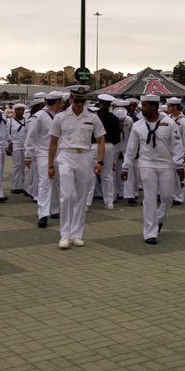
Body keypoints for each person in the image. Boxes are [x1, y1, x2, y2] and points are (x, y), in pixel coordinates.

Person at [47, 85, 105, 249]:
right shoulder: (61, 117)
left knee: (81, 197)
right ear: (70, 99)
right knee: (67, 195)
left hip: (85, 156)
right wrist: (50, 165)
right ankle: (65, 235)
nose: (80, 104)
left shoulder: (93, 117)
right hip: (66, 155)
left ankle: (76, 234)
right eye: (77, 100)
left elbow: (101, 140)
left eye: (83, 100)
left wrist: (100, 162)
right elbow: (53, 142)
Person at [121, 94, 185, 244]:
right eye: (142, 105)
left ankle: (159, 218)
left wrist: (179, 164)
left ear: (154, 106)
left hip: (165, 165)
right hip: (146, 164)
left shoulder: (169, 123)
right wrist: (126, 167)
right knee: (149, 199)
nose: (142, 109)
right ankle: (150, 233)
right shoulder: (138, 126)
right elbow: (131, 149)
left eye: (145, 105)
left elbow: (177, 145)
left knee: (168, 197)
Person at [25, 91, 64, 227]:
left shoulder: (60, 116)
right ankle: (43, 214)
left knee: (57, 182)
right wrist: (28, 155)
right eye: (62, 100)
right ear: (58, 101)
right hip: (43, 153)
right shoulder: (39, 116)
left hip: (59, 153)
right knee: (45, 183)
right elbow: (31, 137)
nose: (63, 103)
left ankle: (54, 209)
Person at [93, 95, 121, 210]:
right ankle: (109, 202)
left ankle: (86, 203)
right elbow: (117, 138)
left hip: (94, 145)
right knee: (107, 174)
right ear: (110, 105)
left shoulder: (94, 116)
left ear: (99, 103)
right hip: (109, 145)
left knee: (90, 174)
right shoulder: (114, 118)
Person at [165, 97, 185, 205]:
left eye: (169, 106)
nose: (167, 108)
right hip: (168, 151)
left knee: (178, 174)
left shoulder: (184, 121)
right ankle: (171, 195)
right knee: (169, 175)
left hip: (178, 151)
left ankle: (179, 197)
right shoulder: (167, 119)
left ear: (175, 107)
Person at [7, 103, 30, 196]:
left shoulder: (26, 121)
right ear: (15, 111)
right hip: (15, 144)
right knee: (17, 165)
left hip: (24, 145)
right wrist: (9, 143)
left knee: (22, 166)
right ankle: (15, 186)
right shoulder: (10, 121)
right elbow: (7, 133)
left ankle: (20, 185)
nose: (20, 112)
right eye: (18, 110)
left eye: (22, 110)